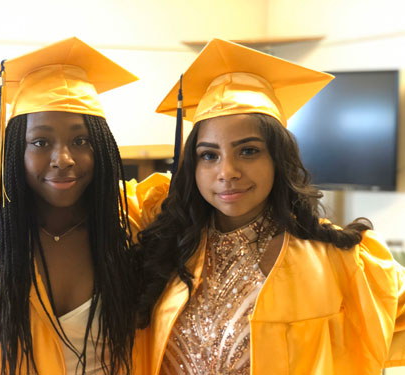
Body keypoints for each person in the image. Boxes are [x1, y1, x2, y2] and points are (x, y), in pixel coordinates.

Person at [131, 39, 405, 374]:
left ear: (279, 158)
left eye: (248, 151)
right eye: (209, 155)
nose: (227, 172)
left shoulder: (339, 260)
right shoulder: (166, 238)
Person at [0, 37, 141, 375]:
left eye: (81, 141)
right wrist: (0, 205)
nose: (63, 159)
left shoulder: (130, 225)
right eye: (40, 142)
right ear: (14, 154)